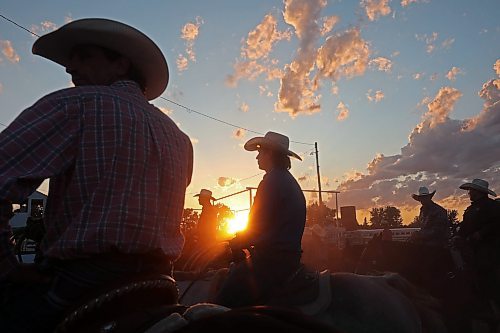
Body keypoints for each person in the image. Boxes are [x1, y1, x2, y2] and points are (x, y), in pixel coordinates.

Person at [0, 18, 193, 332]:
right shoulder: (179, 137)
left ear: (120, 65)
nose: (69, 67)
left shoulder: (74, 104)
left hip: (83, 279)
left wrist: (6, 265)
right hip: (159, 280)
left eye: (84, 56)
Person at [215, 131, 305, 307]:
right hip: (289, 258)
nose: (257, 157)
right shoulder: (288, 180)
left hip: (272, 261)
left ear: (270, 153)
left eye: (260, 152)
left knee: (224, 299)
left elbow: (256, 226)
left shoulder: (271, 181)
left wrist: (236, 242)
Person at [455, 179, 500, 308]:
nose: (469, 193)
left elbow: (496, 223)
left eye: (471, 190)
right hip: (472, 246)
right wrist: (458, 235)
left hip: (488, 246)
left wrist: (481, 233)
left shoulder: (492, 206)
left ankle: (493, 300)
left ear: (478, 192)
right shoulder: (471, 209)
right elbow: (465, 226)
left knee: (485, 269)